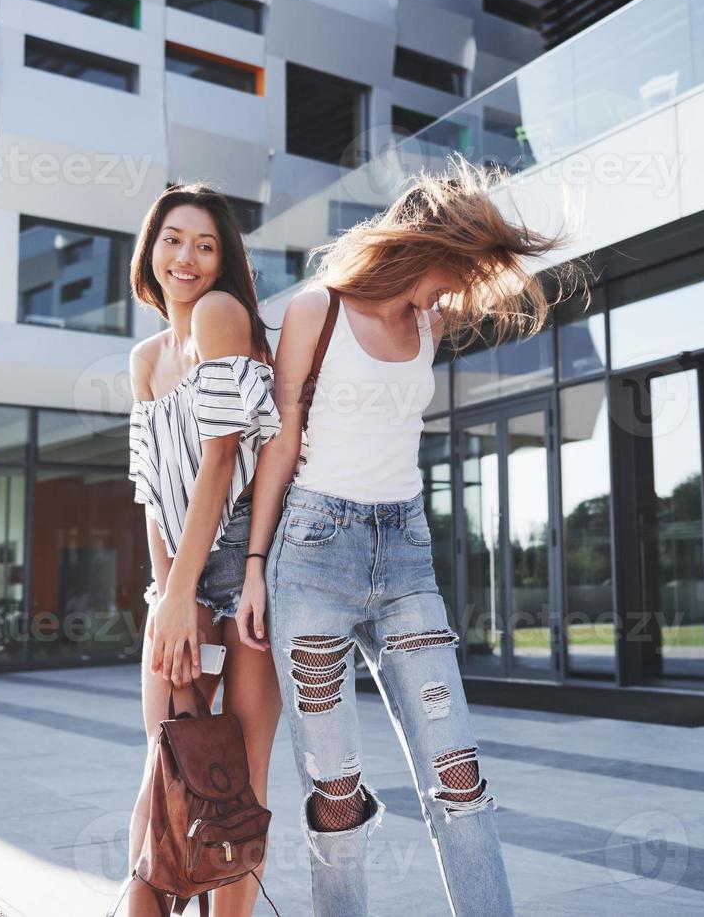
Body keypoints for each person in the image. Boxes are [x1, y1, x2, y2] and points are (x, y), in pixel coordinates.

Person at [234, 153, 582, 915]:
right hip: (314, 556)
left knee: (460, 779)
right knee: (335, 795)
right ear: (423, 250)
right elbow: (282, 442)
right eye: (457, 265)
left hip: (406, 560)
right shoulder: (314, 310)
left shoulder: (426, 321)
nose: (460, 286)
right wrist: (255, 564)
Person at [123, 183, 283, 916]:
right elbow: (154, 493)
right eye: (173, 239)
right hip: (179, 578)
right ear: (150, 247)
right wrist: (165, 601)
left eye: (205, 244)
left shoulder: (221, 316)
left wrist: (187, 593)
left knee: (238, 787)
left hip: (242, 562)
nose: (185, 257)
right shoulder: (145, 358)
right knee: (167, 770)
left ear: (224, 261)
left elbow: (222, 461)